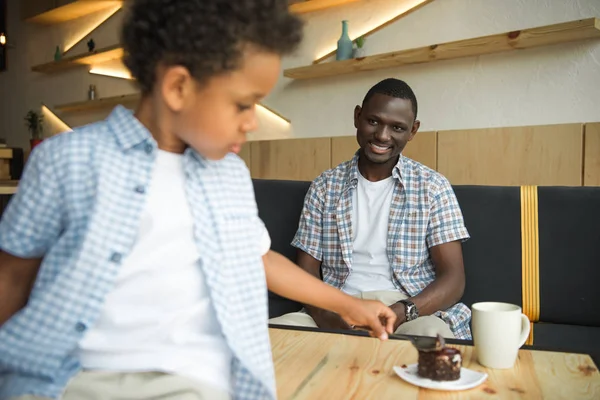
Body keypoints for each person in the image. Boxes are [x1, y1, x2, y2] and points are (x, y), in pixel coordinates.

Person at [0, 2, 397, 399]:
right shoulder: (67, 160)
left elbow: (257, 259)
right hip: (72, 380)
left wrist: (348, 304)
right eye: (243, 104)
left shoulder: (228, 175)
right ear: (178, 88)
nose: (252, 121)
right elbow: (12, 277)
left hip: (193, 382)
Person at [269, 78, 472, 340]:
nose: (383, 135)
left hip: (408, 310)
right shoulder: (324, 187)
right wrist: (329, 316)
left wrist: (403, 310)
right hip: (336, 305)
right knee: (271, 337)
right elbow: (306, 271)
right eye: (373, 121)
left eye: (397, 127)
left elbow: (454, 279)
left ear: (413, 131)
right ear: (358, 116)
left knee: (433, 339)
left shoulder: (433, 187)